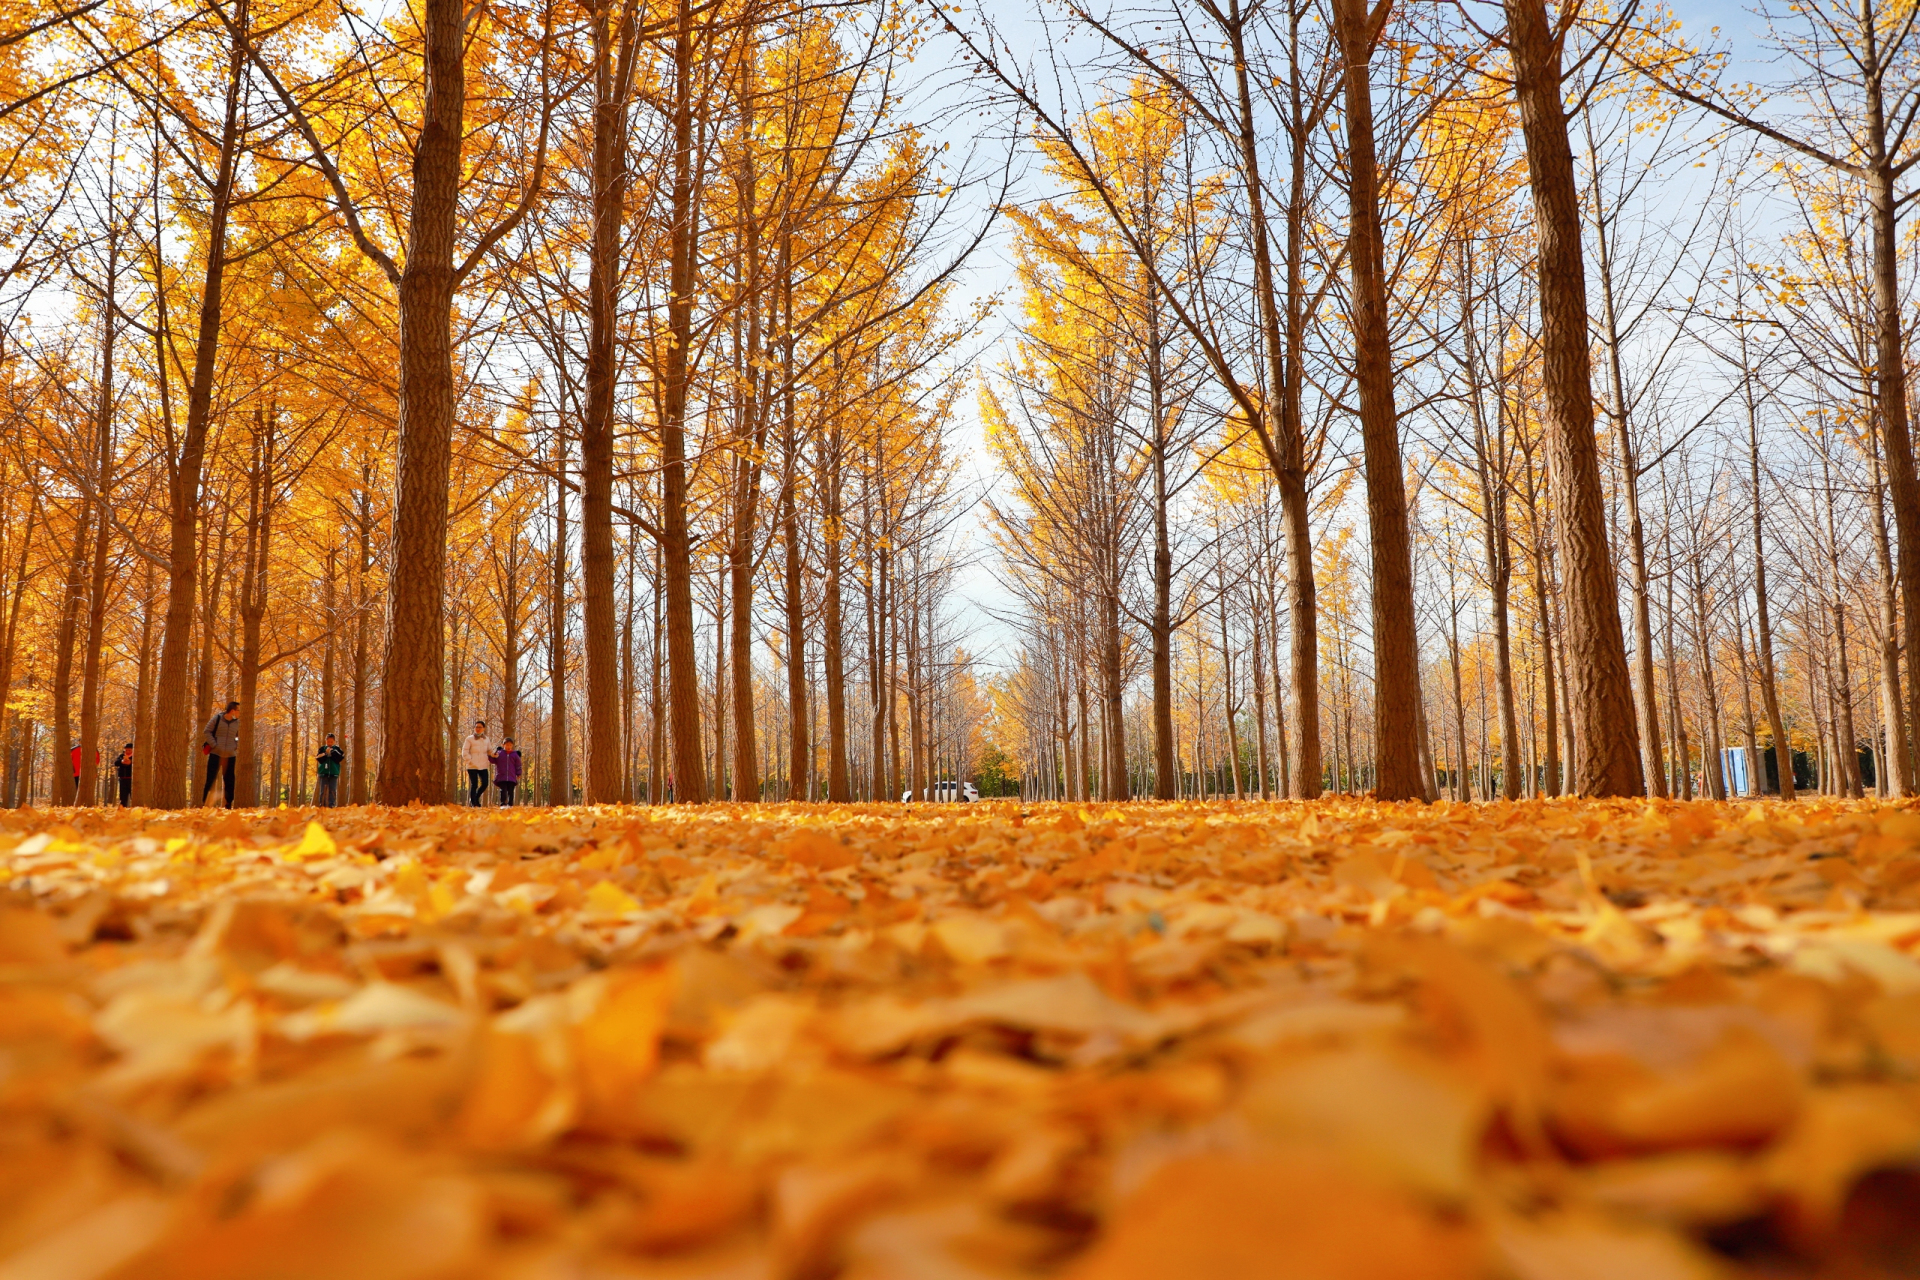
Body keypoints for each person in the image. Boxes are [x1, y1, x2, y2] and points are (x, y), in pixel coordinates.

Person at [201, 700, 241, 807]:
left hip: (230, 755)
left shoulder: (238, 723)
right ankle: (205, 804)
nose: (239, 713)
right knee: (211, 779)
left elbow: (238, 736)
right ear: (232, 711)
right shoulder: (217, 718)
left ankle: (228, 804)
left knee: (229, 781)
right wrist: (214, 744)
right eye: (238, 710)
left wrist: (235, 745)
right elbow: (207, 731)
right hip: (216, 754)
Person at [461, 720, 491, 806]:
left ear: (483, 728)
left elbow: (489, 750)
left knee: (485, 783)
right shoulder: (469, 739)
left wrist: (493, 754)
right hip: (472, 765)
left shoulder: (486, 739)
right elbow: (465, 751)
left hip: (483, 764)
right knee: (474, 784)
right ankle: (474, 803)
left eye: (480, 727)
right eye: (476, 727)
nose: (478, 729)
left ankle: (476, 798)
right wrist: (469, 760)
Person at [315, 733, 344, 807]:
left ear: (334, 741)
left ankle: (331, 805)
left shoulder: (337, 749)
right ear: (325, 741)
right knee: (322, 791)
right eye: (328, 741)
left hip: (334, 773)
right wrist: (325, 753)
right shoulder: (322, 749)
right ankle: (322, 805)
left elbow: (340, 758)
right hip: (323, 772)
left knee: (332, 790)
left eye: (331, 742)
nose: (329, 743)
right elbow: (319, 759)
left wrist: (332, 752)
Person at [491, 737, 522, 807]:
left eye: (510, 745)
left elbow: (518, 765)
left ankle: (510, 804)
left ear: (512, 746)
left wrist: (518, 773)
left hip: (511, 776)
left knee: (511, 791)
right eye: (507, 745)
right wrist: (492, 755)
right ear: (503, 745)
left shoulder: (515, 754)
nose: (508, 746)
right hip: (502, 776)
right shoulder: (499, 753)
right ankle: (503, 804)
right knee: (503, 790)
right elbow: (492, 760)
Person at [114, 743, 133, 807]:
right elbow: (116, 763)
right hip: (122, 778)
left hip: (131, 779)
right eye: (126, 750)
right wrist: (121, 761)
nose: (127, 751)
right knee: (123, 796)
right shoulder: (121, 756)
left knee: (132, 795)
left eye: (129, 750)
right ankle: (123, 809)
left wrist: (130, 762)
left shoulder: (135, 756)